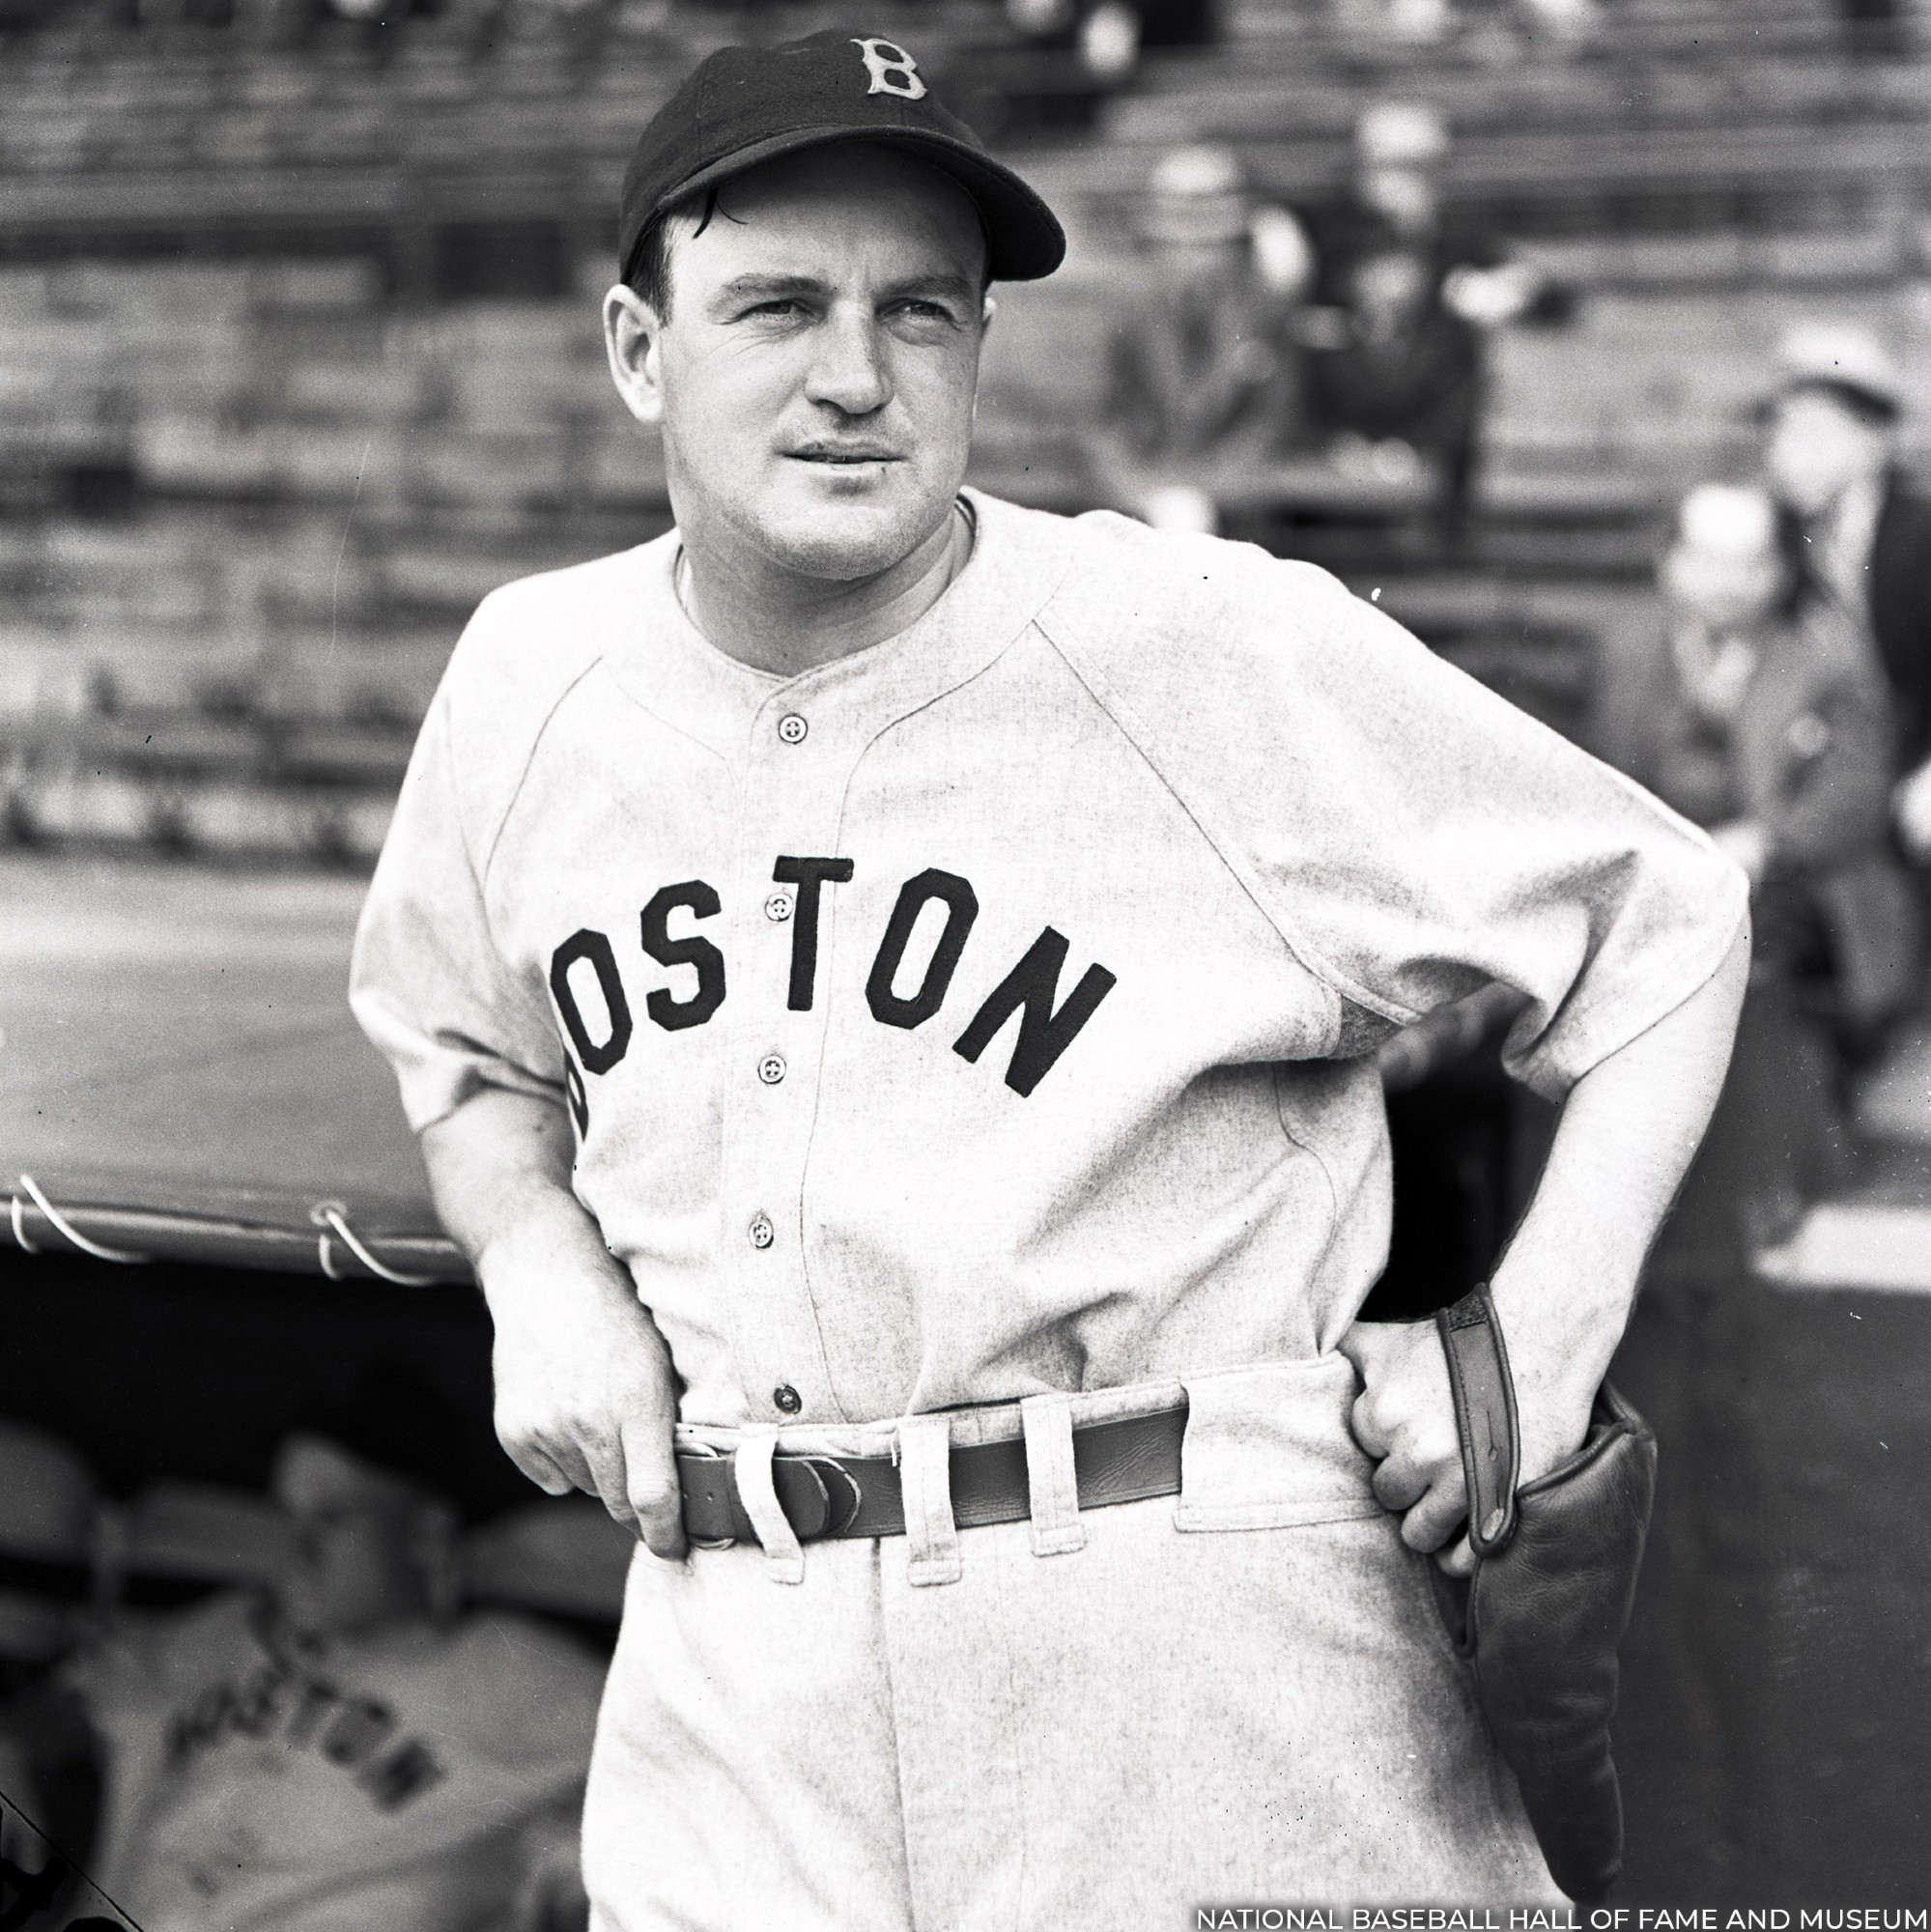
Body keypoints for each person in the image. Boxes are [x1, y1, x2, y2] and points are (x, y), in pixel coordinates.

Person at [350, 29, 1748, 1924]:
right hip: (734, 1677)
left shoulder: (1197, 644)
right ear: (635, 352)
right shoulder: (530, 676)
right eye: (775, 305)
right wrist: (535, 1265)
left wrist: (1540, 1331)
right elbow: (460, 1051)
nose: (857, 376)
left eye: (920, 313)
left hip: (1186, 1644)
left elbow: (1666, 915)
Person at [26, 1411, 605, 1932]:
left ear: (425, 1537)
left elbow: (660, 1768)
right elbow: (64, 1713)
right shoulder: (224, 1633)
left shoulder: (514, 1672)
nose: (294, 1547)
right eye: (287, 1515)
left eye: (332, 1519)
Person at [1595, 482, 1914, 1244]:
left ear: (1778, 571)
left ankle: (1761, 1168)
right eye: (1702, 559)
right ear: (1668, 562)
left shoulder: (1824, 657)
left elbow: (1854, 796)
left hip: (1790, 877)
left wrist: (1763, 843)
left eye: (1746, 562)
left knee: (1748, 936)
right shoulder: (1627, 647)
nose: (1723, 581)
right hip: (1652, 865)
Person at [1304, 100, 1562, 542]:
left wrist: (1515, 287)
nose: (1405, 177)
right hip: (1334, 430)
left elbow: (1555, 300)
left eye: (1421, 165)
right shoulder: (1319, 229)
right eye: (1390, 163)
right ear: (1362, 162)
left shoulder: (1454, 236)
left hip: (1426, 432)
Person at [1762, 324, 1931, 878]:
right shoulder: (1786, 541)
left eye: (1814, 433)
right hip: (1856, 768)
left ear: (1874, 441)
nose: (1787, 455)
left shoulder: (1919, 534)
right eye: (1781, 432)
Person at [1093, 144, 1316, 531]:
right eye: (1178, 237)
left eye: (1213, 237)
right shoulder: (1126, 312)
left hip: (1232, 506)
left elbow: (1270, 423)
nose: (1195, 251)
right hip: (1141, 500)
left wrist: (1203, 492)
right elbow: (1100, 425)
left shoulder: (1264, 312)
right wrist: (1146, 493)